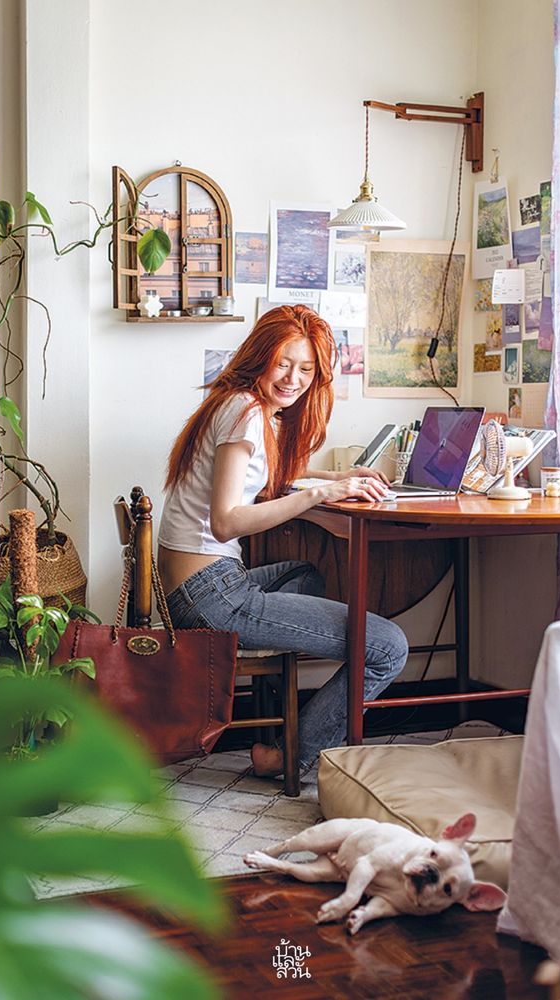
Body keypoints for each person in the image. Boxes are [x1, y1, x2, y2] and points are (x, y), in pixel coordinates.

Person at [158, 304, 408, 777]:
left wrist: (333, 477)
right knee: (389, 647)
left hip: (198, 584)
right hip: (211, 595)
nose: (293, 379)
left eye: (306, 369)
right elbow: (226, 522)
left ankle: (281, 705)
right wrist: (319, 494)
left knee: (305, 574)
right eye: (283, 364)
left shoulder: (235, 403)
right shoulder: (246, 412)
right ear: (260, 358)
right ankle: (289, 753)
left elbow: (266, 477)